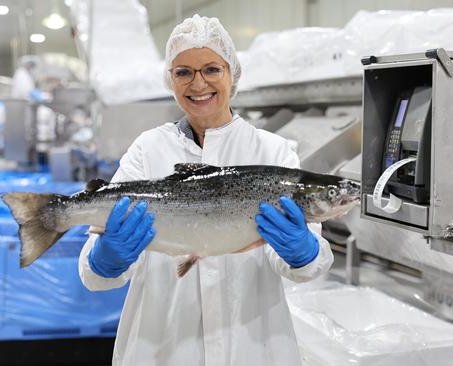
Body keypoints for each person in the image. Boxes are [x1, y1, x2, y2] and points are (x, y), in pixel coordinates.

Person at [78, 14, 334, 366]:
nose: (198, 83)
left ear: (232, 73)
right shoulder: (147, 149)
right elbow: (94, 276)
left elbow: (306, 268)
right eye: (183, 72)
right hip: (162, 348)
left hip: (252, 347)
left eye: (212, 69)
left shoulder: (273, 152)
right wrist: (107, 259)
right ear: (170, 80)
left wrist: (302, 252)